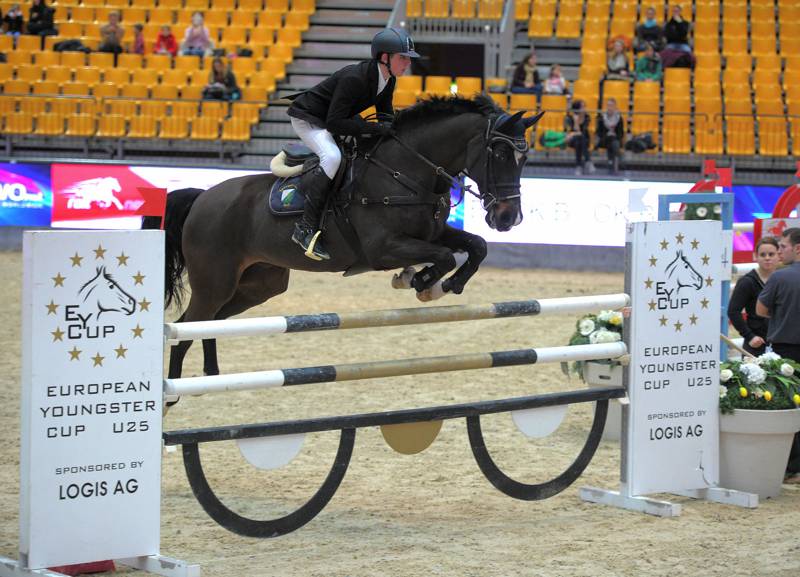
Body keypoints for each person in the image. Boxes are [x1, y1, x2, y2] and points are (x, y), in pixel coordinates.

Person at [286, 27, 418, 261]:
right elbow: (335, 123)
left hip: (333, 117)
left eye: (408, 58)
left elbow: (385, 117)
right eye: (403, 57)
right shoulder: (354, 78)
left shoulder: (388, 80)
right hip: (309, 118)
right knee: (333, 157)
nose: (407, 63)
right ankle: (305, 228)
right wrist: (374, 129)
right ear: (385, 57)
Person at [757, 228, 800, 484]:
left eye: (782, 246)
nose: (779, 250)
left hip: (786, 350)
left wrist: (783, 316)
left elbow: (761, 310)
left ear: (797, 248)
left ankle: (792, 467)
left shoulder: (780, 278)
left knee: (788, 406)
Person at [728, 237, 779, 357]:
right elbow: (733, 311)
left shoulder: (783, 280)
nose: (767, 258)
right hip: (756, 344)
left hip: (780, 342)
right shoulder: (747, 282)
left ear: (778, 255)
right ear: (755, 256)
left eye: (771, 254)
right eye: (763, 254)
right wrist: (749, 336)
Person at [595, 98, 624, 174]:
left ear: (615, 106)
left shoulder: (619, 118)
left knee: (613, 142)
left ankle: (610, 162)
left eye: (611, 105)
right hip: (603, 140)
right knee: (612, 141)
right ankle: (616, 162)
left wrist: (615, 136)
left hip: (615, 140)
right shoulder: (602, 118)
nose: (609, 107)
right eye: (608, 105)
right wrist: (608, 135)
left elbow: (621, 133)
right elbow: (598, 132)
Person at [565, 99, 593, 175]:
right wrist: (575, 121)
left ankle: (578, 167)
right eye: (582, 107)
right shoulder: (571, 118)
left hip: (584, 139)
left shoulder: (587, 117)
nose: (584, 108)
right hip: (572, 140)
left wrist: (573, 133)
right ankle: (588, 161)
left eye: (584, 106)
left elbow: (581, 132)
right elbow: (572, 131)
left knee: (579, 141)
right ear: (577, 109)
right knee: (578, 139)